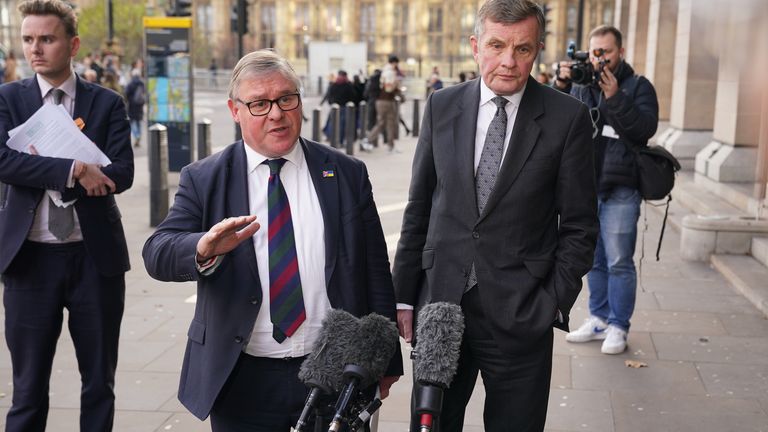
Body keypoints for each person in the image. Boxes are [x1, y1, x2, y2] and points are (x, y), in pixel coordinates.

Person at [142, 49, 403, 431]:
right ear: (235, 110)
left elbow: (376, 269)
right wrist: (201, 247)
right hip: (241, 377)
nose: (276, 113)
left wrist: (386, 358)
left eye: (285, 99)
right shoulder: (205, 178)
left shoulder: (345, 173)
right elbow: (157, 252)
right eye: (259, 104)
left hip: (334, 372)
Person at [391, 1, 598, 431]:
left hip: (522, 313)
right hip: (441, 308)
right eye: (497, 45)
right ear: (475, 46)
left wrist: (552, 302)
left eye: (522, 49)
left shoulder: (568, 118)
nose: (508, 60)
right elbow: (420, 207)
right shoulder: (441, 106)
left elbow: (579, 226)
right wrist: (404, 294)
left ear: (538, 49)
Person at [0, 1, 134, 430]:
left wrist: (95, 172)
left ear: (72, 44)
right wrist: (73, 169)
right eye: (28, 39)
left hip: (94, 261)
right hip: (29, 261)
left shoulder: (107, 103)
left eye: (46, 39)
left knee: (99, 383)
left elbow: (123, 173)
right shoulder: (8, 99)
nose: (34, 49)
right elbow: (3, 161)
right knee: (27, 389)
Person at [554, 25, 659, 355]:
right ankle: (598, 318)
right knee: (594, 260)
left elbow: (644, 130)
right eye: (594, 52)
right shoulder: (583, 83)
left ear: (621, 53)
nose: (599, 59)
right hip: (585, 188)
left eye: (606, 53)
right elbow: (559, 124)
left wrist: (615, 97)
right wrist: (562, 83)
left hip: (621, 188)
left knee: (618, 261)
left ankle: (618, 325)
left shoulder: (638, 86)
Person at [362, 55, 402, 153]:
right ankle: (370, 140)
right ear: (394, 63)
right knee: (386, 123)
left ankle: (387, 145)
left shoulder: (384, 71)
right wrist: (396, 85)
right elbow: (388, 88)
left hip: (381, 101)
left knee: (384, 123)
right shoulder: (390, 72)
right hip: (386, 101)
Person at [124, 68, 146, 147]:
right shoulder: (142, 83)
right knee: (139, 121)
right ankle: (139, 135)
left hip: (132, 105)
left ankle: (136, 135)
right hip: (140, 105)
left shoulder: (130, 83)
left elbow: (126, 93)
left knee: (133, 122)